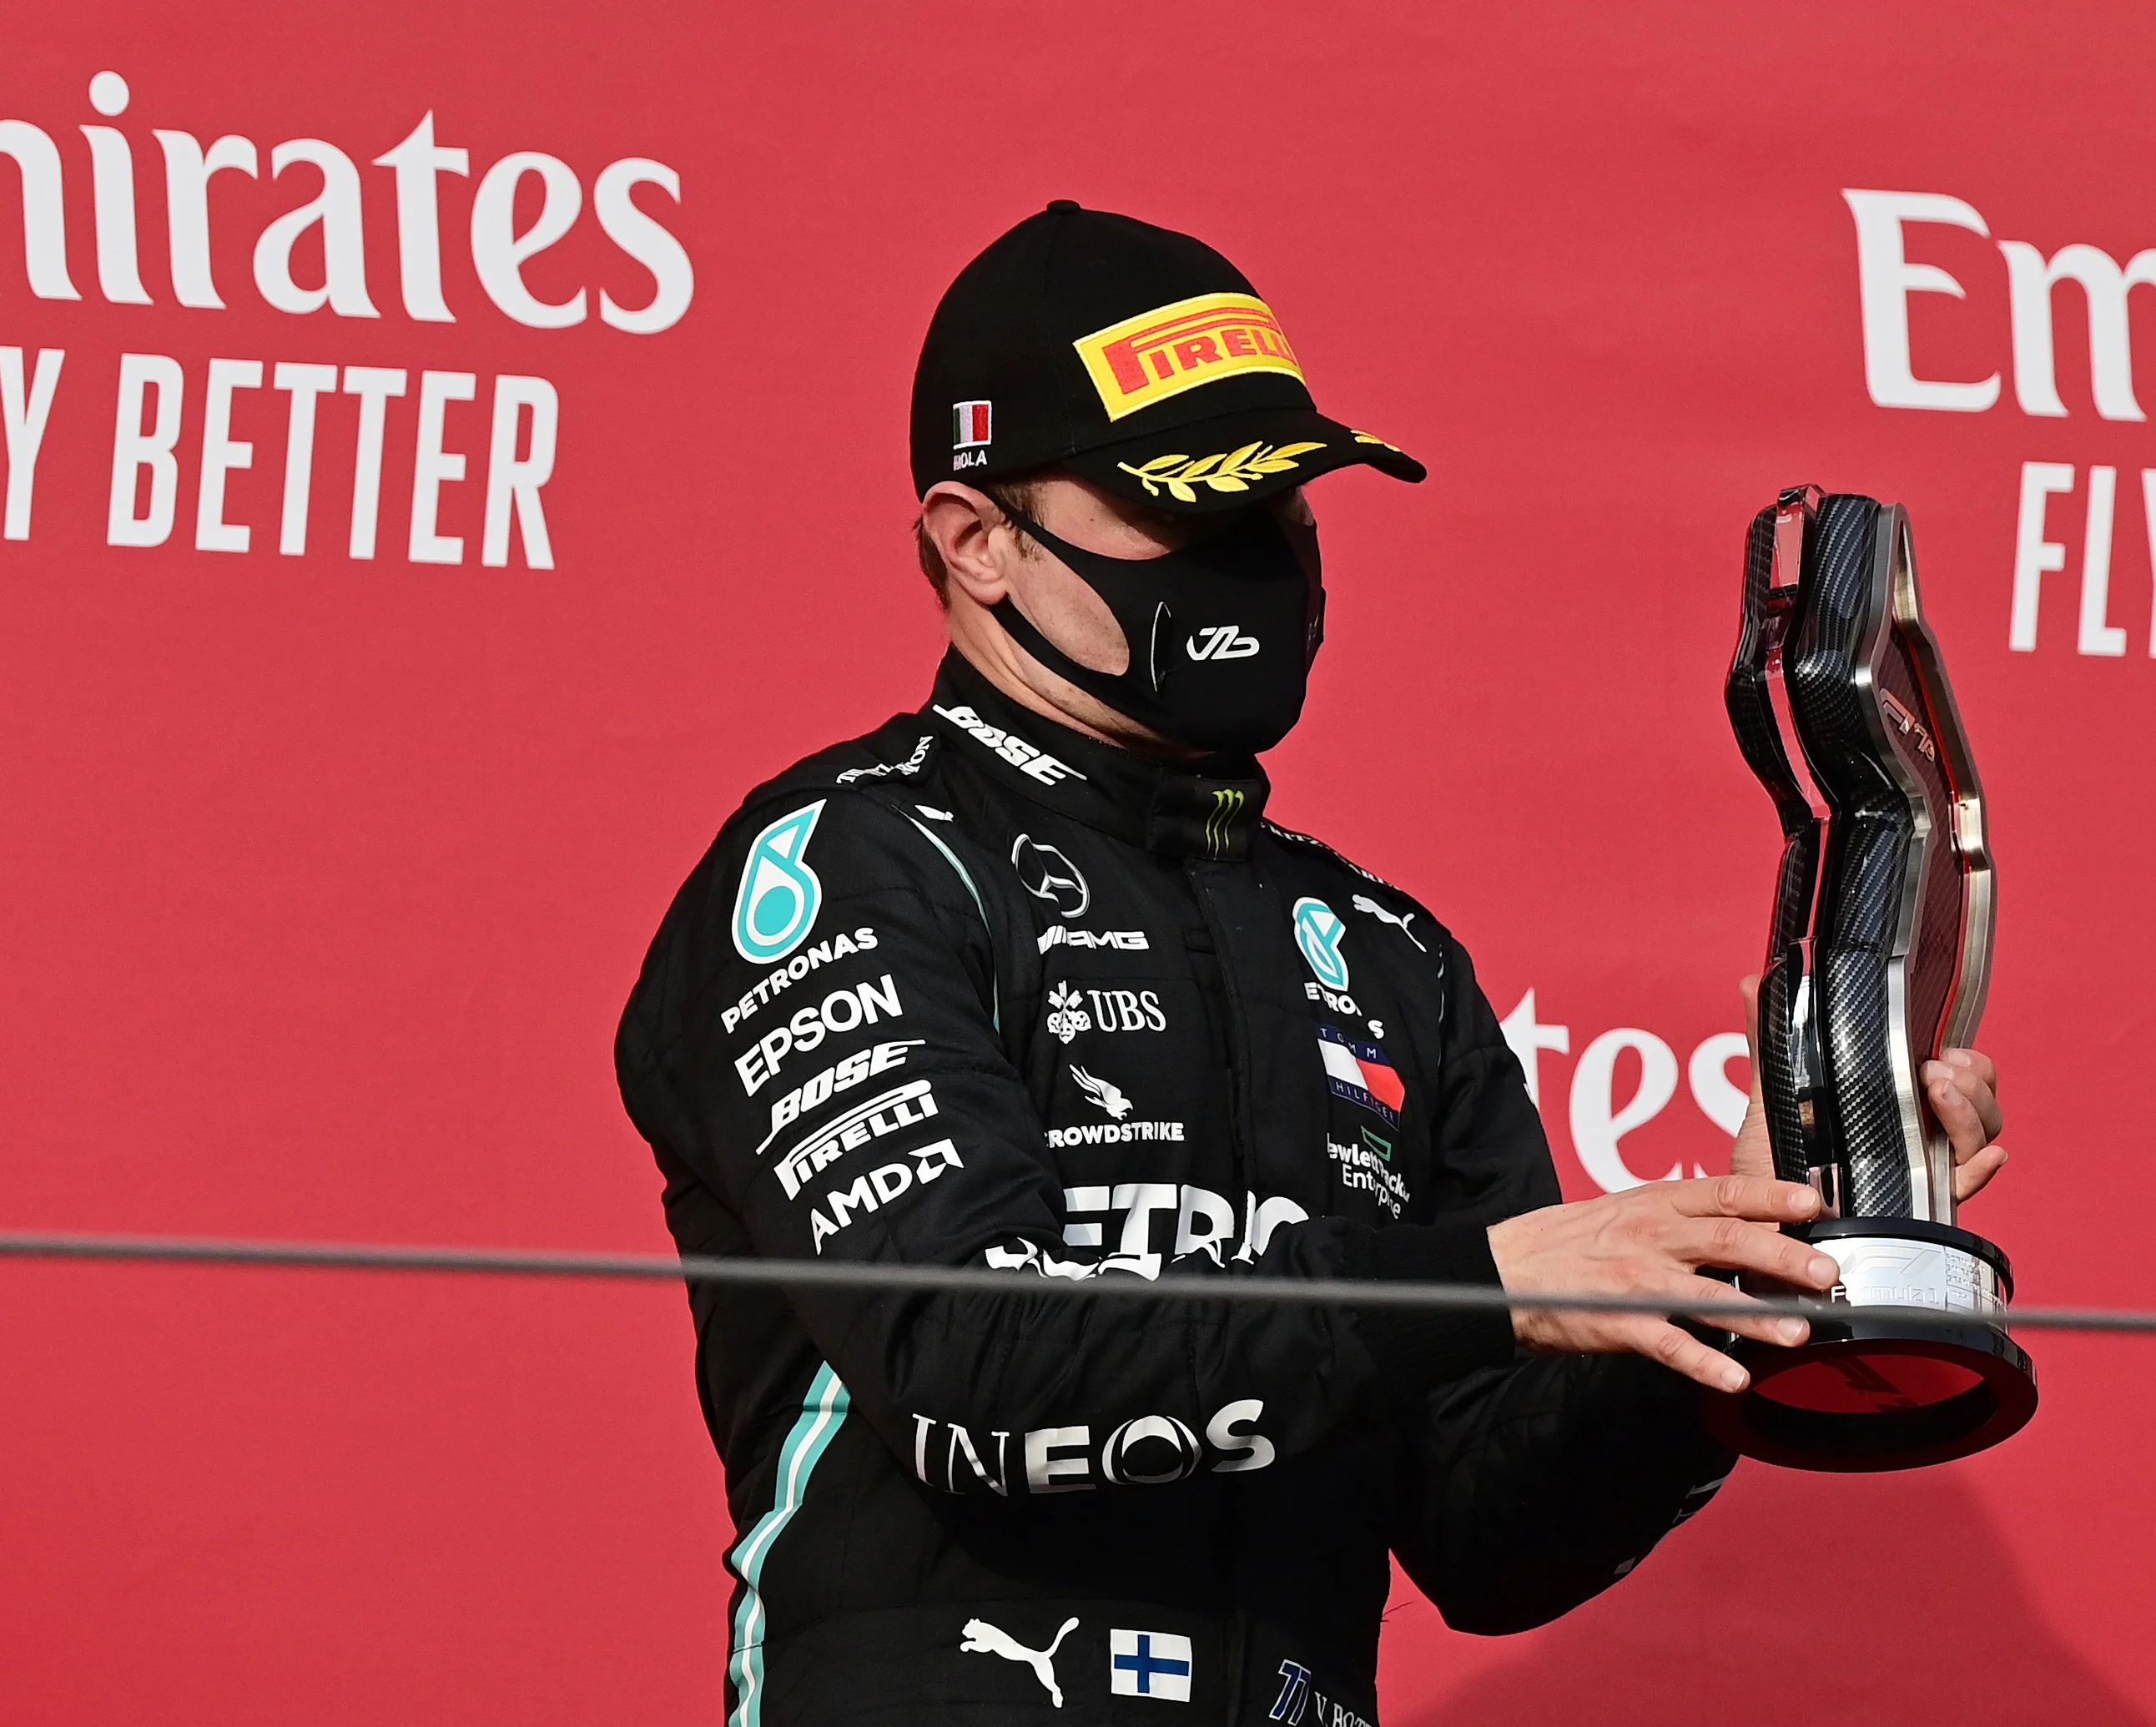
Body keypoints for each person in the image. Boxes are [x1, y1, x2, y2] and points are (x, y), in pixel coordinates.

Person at [614, 202, 2012, 1727]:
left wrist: (1725, 1287)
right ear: (978, 541)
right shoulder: (851, 861)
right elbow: (973, 1368)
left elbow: (1488, 1537)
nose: (1262, 560)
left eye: (1285, 505)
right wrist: (1487, 1283)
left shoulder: (1389, 955)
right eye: (1196, 512)